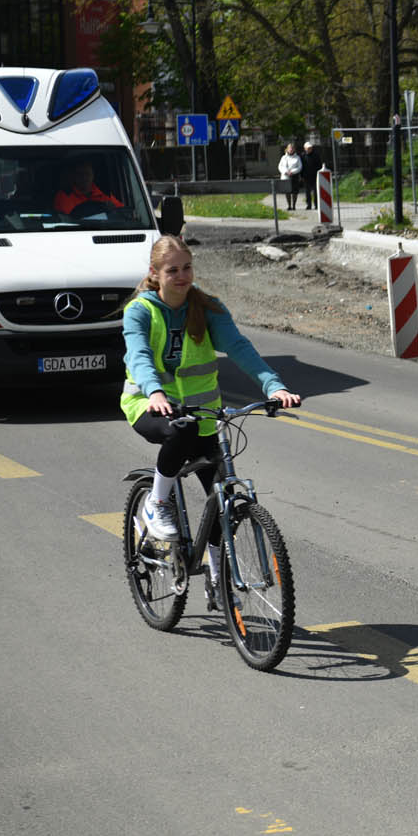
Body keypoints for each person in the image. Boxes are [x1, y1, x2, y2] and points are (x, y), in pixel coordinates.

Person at [121, 235, 301, 608]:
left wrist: (274, 385)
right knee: (178, 431)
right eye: (173, 270)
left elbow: (239, 347)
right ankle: (157, 503)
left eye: (188, 267)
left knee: (221, 500)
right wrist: (154, 393)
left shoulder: (206, 307)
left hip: (205, 415)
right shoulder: (140, 310)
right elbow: (138, 356)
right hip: (149, 406)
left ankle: (218, 579)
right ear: (155, 274)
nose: (183, 276)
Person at [53, 159, 123, 216]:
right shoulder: (65, 195)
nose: (84, 178)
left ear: (93, 175)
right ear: (73, 176)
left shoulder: (105, 193)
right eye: (80, 174)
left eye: (87, 173)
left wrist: (113, 209)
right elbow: (70, 220)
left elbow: (122, 212)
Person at [278, 143, 303, 210]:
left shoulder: (297, 157)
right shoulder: (283, 157)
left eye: (292, 148)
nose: (291, 149)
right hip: (285, 177)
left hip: (294, 177)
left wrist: (292, 172)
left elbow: (300, 167)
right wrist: (285, 172)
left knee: (295, 192)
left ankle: (294, 205)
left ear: (294, 149)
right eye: (289, 148)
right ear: (287, 149)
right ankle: (289, 206)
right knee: (287, 192)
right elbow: (280, 166)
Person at [299, 141, 320, 210]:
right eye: (308, 148)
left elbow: (319, 165)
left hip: (315, 176)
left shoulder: (316, 155)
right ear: (305, 148)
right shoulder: (302, 156)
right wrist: (301, 176)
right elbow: (301, 167)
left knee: (315, 191)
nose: (309, 149)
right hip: (306, 177)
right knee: (307, 192)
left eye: (310, 148)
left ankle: (316, 204)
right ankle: (309, 205)